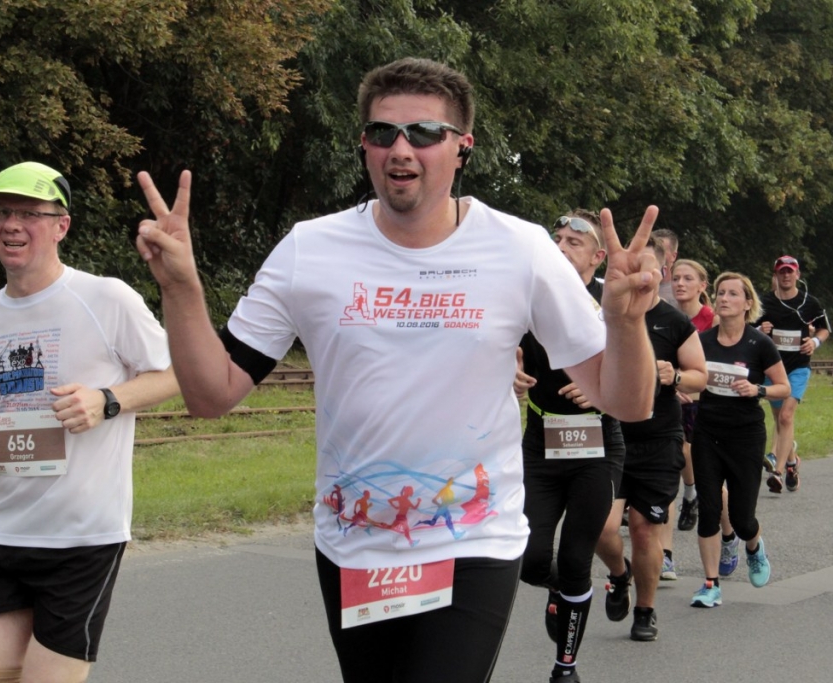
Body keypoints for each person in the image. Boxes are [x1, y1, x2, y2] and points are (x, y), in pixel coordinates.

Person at [133, 57, 661, 683]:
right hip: (354, 544)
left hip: (472, 537)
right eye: (383, 133)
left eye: (424, 133)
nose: (401, 149)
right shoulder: (310, 249)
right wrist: (181, 288)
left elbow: (626, 401)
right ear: (364, 145)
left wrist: (625, 322)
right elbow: (211, 394)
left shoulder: (519, 249)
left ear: (462, 147)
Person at [0, 162, 178, 683]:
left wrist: (106, 400)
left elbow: (177, 372)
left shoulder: (106, 297)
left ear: (61, 225)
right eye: (3, 212)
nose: (12, 225)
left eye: (29, 214)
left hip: (81, 537)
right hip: (0, 531)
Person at [513, 210, 625, 676]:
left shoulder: (611, 303)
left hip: (596, 445)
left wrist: (603, 385)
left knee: (577, 557)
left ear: (597, 257)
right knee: (529, 559)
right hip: (541, 444)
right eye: (556, 239)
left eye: (573, 242)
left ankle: (565, 666)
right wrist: (508, 368)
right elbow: (496, 344)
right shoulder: (528, 296)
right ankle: (565, 590)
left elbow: (638, 370)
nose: (560, 246)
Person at [594, 239, 707, 641]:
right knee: (601, 527)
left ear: (660, 274)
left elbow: (699, 376)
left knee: (644, 529)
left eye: (650, 269)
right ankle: (618, 573)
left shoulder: (674, 322)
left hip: (659, 439)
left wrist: (674, 376)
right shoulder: (604, 314)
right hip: (611, 438)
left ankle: (645, 611)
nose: (641, 276)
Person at [690, 273, 789, 608]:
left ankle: (753, 546)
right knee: (708, 510)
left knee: (742, 519)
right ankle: (710, 584)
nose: (724, 298)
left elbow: (783, 387)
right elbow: (688, 377)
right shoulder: (702, 341)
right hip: (707, 433)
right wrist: (681, 387)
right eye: (720, 293)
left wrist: (757, 389)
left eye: (733, 294)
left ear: (747, 303)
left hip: (745, 436)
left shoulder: (759, 344)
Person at [657, 258, 715, 580]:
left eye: (687, 278)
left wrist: (686, 380)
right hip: (671, 404)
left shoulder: (712, 319)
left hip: (705, 406)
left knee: (715, 486)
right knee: (670, 468)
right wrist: (672, 384)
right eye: (676, 278)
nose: (679, 283)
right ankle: (665, 555)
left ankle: (732, 533)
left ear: (702, 285)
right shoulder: (664, 316)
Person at [756, 255, 829, 493]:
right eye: (782, 271)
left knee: (786, 417)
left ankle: (777, 471)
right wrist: (760, 329)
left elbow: (824, 329)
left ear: (797, 274)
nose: (786, 275)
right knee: (780, 418)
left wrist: (815, 342)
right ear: (776, 275)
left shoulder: (810, 302)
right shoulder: (764, 302)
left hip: (798, 367)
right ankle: (791, 461)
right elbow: (748, 327)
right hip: (773, 368)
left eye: (790, 271)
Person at [652, 229, 679, 306]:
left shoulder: (682, 290)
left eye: (661, 251)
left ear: (674, 256)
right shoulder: (637, 286)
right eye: (653, 249)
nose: (655, 254)